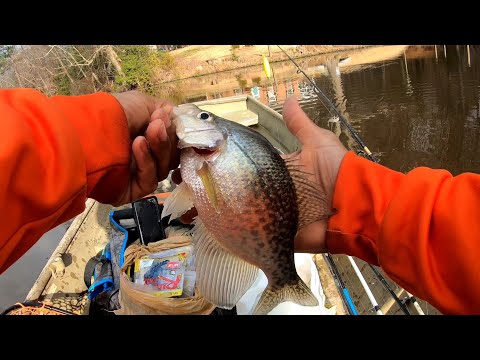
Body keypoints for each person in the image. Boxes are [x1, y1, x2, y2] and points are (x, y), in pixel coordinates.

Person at [0, 89, 478, 315]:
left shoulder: (209, 152)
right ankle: (282, 279)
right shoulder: (204, 154)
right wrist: (354, 196)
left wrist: (90, 140)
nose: (194, 118)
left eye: (202, 116)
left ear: (212, 130)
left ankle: (281, 281)